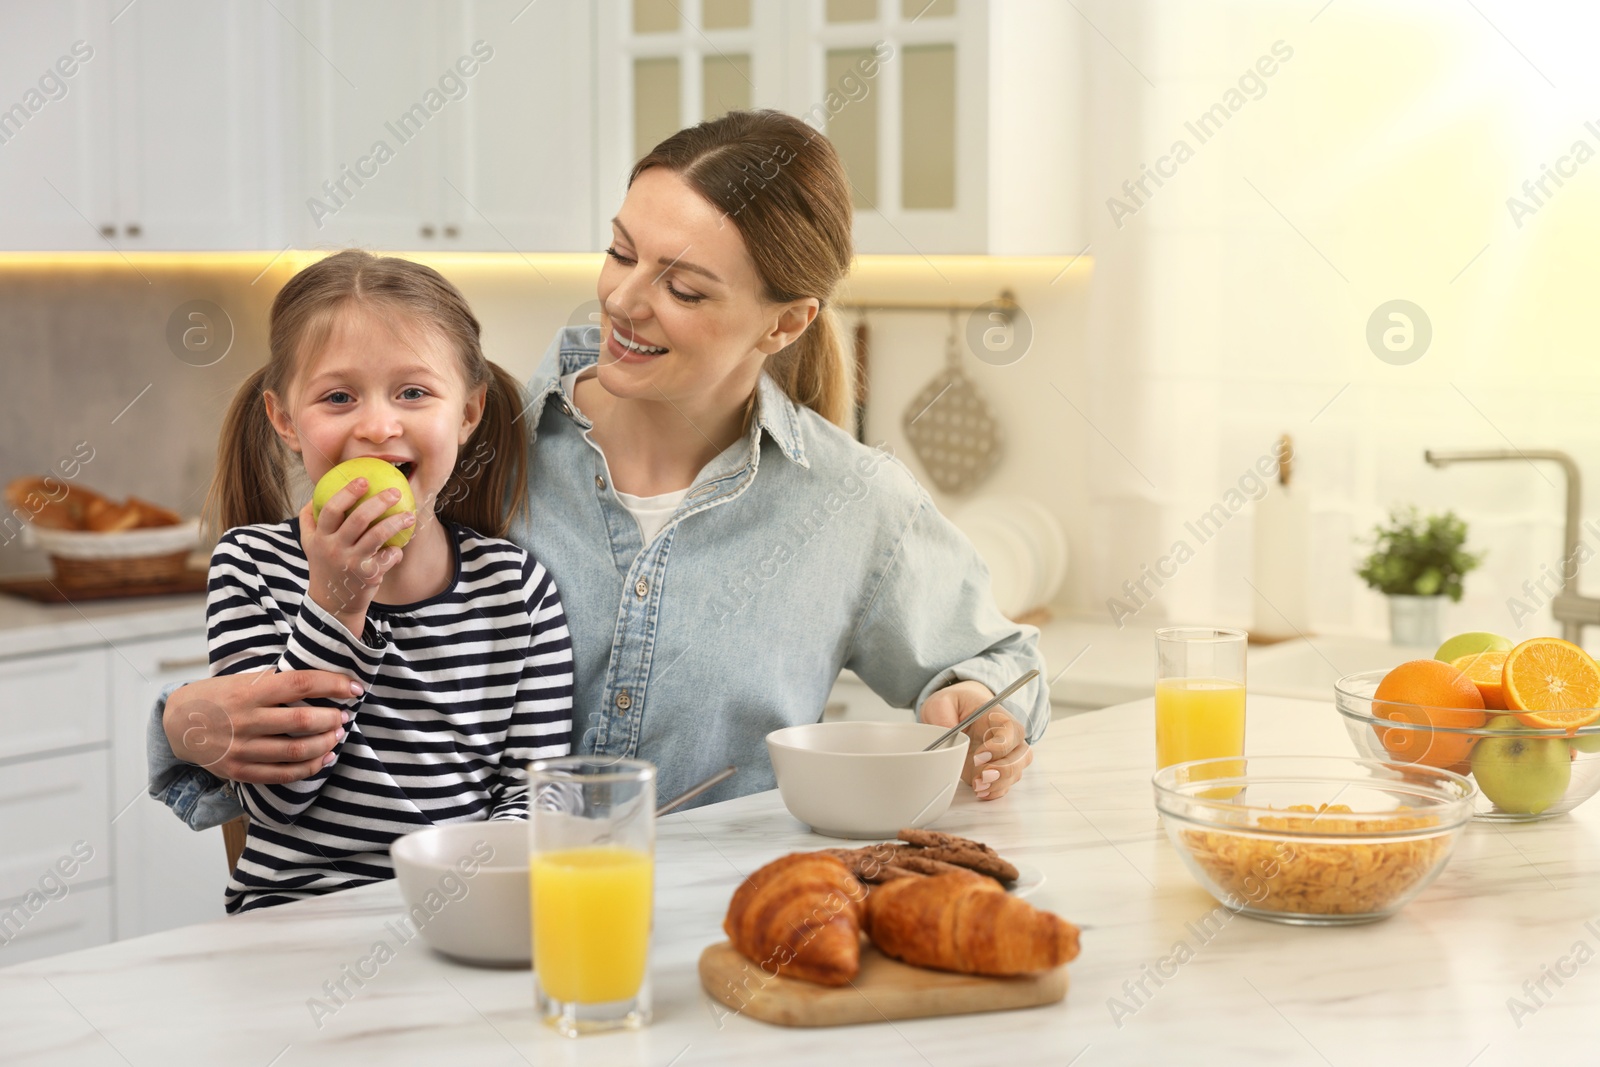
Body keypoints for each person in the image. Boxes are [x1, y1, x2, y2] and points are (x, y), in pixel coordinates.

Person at [149, 109, 1044, 839]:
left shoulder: (851, 503)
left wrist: (980, 708)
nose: (622, 298)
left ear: (784, 323)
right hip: (458, 933)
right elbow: (312, 721)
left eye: (684, 289)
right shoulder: (471, 448)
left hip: (710, 943)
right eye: (621, 252)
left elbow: (995, 667)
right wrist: (180, 725)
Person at [194, 250, 572, 911]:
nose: (376, 424)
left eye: (414, 392)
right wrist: (337, 602)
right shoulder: (248, 565)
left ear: (468, 412)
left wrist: (462, 894)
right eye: (338, 396)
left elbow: (532, 799)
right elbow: (276, 799)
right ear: (285, 420)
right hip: (295, 921)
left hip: (460, 910)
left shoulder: (517, 589)